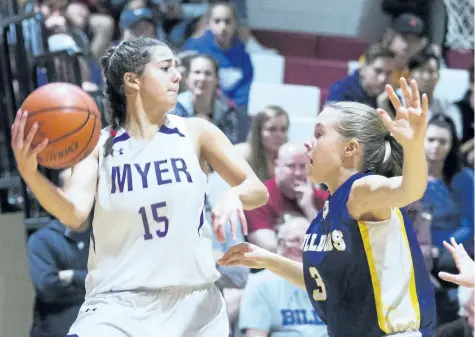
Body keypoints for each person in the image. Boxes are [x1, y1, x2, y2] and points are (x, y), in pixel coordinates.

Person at [11, 37, 268, 337]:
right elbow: (73, 214)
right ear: (132, 81)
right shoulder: (98, 146)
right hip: (117, 302)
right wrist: (32, 176)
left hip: (193, 303)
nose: (178, 75)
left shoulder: (197, 132)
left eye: (176, 67)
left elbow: (257, 190)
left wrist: (233, 195)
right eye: (165, 68)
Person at [218, 78, 436, 337]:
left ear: (350, 149)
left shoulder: (361, 190)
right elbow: (320, 282)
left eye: (319, 134)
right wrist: (265, 258)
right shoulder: (327, 209)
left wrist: (413, 145)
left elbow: (409, 189)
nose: (307, 143)